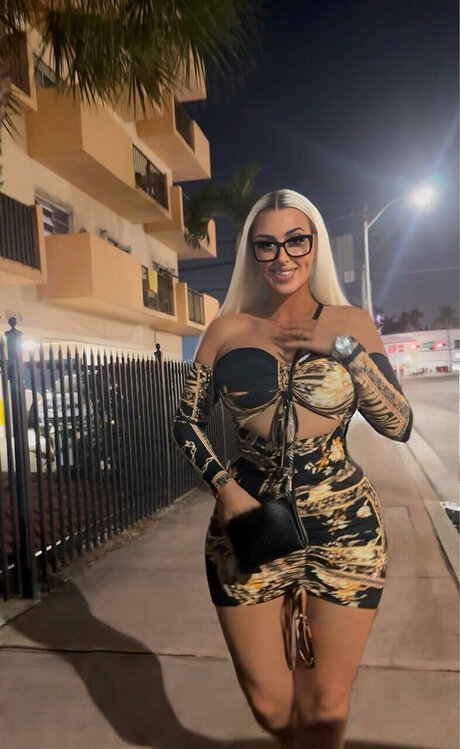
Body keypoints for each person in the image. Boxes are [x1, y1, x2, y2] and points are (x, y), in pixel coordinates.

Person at [172, 189, 412, 749]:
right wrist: (226, 491)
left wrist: (345, 349)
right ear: (252, 252)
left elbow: (398, 424)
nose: (282, 256)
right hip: (248, 522)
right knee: (270, 703)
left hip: (345, 526)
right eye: (267, 244)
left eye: (296, 240)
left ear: (315, 244)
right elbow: (185, 422)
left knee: (324, 705)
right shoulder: (226, 330)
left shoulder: (351, 323)